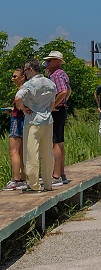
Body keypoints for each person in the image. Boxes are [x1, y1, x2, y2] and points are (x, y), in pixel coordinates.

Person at [16, 59, 56, 193]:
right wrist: (47, 112)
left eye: (25, 70)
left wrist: (23, 108)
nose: (25, 73)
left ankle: (34, 185)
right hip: (47, 121)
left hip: (33, 121)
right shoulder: (50, 83)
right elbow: (52, 103)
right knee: (47, 153)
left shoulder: (29, 84)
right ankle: (48, 183)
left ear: (31, 70)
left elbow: (17, 98)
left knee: (31, 153)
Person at [44, 50, 71, 186]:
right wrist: (63, 102)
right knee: (59, 142)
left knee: (55, 143)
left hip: (57, 111)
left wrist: (53, 105)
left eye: (49, 61)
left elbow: (63, 91)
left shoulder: (56, 75)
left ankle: (56, 175)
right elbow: (69, 91)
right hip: (62, 110)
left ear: (57, 62)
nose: (46, 63)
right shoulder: (62, 74)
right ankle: (61, 173)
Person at [2, 68, 28, 190]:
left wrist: (20, 108)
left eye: (15, 76)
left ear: (22, 77)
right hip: (26, 120)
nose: (12, 79)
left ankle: (16, 179)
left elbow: (19, 102)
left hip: (17, 119)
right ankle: (23, 179)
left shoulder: (21, 90)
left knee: (13, 151)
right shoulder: (29, 89)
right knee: (22, 151)